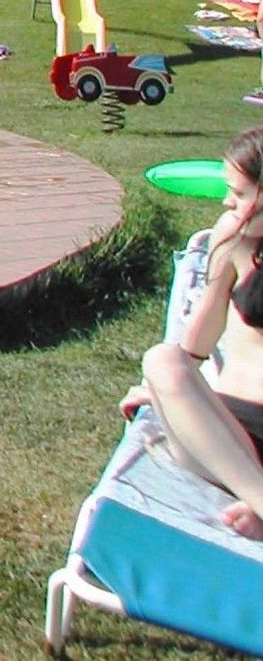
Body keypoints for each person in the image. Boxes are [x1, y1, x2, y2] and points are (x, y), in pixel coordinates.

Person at [120, 127, 263, 541]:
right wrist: (166, 390)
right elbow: (204, 326)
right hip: (224, 430)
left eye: (239, 194)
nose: (226, 202)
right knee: (162, 361)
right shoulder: (232, 239)